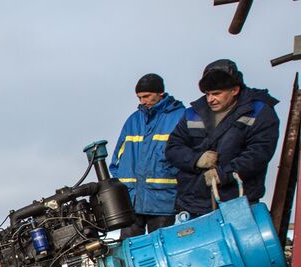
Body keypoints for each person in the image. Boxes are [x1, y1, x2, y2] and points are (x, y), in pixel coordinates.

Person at [165, 59, 280, 218]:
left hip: (237, 203)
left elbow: (259, 154)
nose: (210, 99)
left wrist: (224, 174)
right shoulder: (193, 113)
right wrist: (196, 159)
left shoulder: (258, 112)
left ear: (234, 90)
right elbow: (173, 147)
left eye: (217, 93)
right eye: (207, 94)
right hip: (193, 204)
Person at [109, 73, 185, 235]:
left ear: (160, 93)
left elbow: (185, 159)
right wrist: (125, 185)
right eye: (139, 98)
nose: (142, 101)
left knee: (160, 249)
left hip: (162, 201)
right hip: (132, 201)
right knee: (128, 251)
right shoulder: (133, 121)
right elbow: (116, 161)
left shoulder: (179, 117)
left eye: (146, 96)